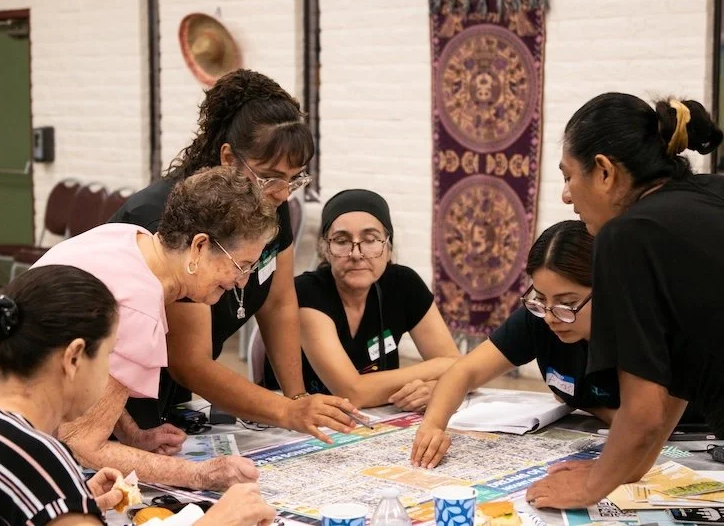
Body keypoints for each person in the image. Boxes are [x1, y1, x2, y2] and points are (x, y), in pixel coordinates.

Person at [0, 166, 282, 490]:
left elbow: (101, 386)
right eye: (242, 265)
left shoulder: (131, 236)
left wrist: (132, 434)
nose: (241, 281)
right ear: (200, 245)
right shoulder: (139, 306)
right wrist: (202, 474)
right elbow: (84, 444)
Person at [110, 68, 357, 445]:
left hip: (173, 393)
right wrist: (285, 412)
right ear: (228, 157)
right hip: (115, 391)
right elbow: (189, 361)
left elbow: (278, 303)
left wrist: (297, 400)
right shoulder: (174, 217)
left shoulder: (266, 205)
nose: (282, 192)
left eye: (295, 179)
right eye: (269, 177)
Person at [0, 265, 276, 526]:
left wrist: (75, 503)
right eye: (109, 355)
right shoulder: (43, 463)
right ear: (74, 357)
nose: (111, 372)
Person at [524, 93, 724, 509]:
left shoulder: (626, 236)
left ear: (603, 172)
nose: (565, 196)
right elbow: (678, 377)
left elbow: (643, 410)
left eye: (568, 177)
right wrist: (626, 470)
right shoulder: (707, 195)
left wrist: (591, 487)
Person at [410, 220, 620, 469]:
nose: (551, 317)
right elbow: (465, 371)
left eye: (567, 303)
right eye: (540, 299)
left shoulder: (632, 329)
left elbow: (643, 421)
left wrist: (585, 403)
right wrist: (433, 426)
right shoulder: (539, 318)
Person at [266, 189, 460, 410]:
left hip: (377, 420)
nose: (357, 254)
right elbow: (352, 392)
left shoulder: (404, 284)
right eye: (341, 241)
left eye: (370, 240)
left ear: (388, 248)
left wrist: (437, 387)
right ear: (325, 250)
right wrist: (444, 369)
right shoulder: (307, 292)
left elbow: (463, 372)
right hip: (298, 425)